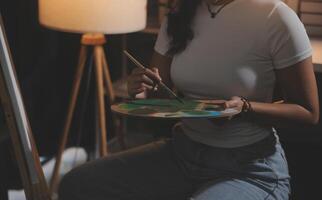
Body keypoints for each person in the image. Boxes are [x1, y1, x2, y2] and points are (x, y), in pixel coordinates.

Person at [58, 0, 319, 199]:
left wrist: (245, 108)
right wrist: (139, 88)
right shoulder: (181, 12)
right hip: (182, 153)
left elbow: (308, 113)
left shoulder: (275, 15)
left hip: (250, 168)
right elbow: (157, 94)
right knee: (77, 184)